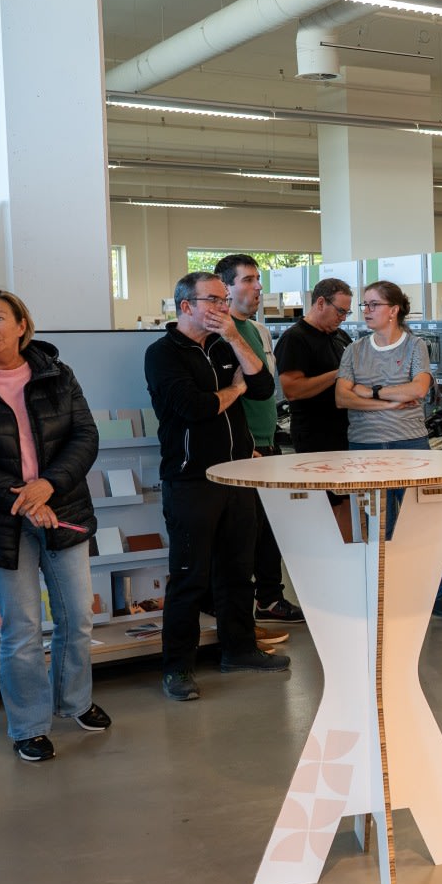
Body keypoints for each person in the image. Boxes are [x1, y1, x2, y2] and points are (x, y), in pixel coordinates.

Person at [0, 289, 109, 762]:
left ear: (22, 327)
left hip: (62, 505)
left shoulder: (56, 374)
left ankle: (75, 701)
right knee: (23, 625)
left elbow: (85, 435)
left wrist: (48, 486)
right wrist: (26, 498)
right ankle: (28, 725)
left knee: (78, 614)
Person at [145, 272, 290, 701]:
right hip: (192, 480)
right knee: (190, 579)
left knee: (237, 573)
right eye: (214, 300)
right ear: (186, 306)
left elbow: (263, 389)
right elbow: (194, 408)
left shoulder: (229, 345)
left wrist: (235, 340)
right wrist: (233, 390)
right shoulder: (162, 353)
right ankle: (178, 669)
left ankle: (240, 649)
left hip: (238, 475)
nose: (223, 307)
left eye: (225, 300)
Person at [336, 280, 442, 625]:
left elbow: (419, 388)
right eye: (364, 305)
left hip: (410, 445)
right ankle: (387, 598)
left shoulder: (415, 347)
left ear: (394, 310)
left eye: (373, 305)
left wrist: (372, 391)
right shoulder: (354, 351)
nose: (365, 311)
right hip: (364, 449)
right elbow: (342, 398)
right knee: (378, 527)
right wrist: (390, 402)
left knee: (423, 523)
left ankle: (437, 595)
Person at [215, 254, 305, 627]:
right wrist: (241, 445)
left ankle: (270, 598)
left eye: (258, 280)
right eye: (248, 280)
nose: (258, 288)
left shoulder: (261, 331)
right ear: (226, 288)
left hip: (268, 443)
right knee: (245, 534)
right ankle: (247, 608)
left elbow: (266, 387)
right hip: (244, 448)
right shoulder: (221, 337)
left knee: (271, 528)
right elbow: (228, 394)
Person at [275, 276, 354, 535]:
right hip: (316, 436)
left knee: (347, 501)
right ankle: (328, 563)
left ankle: (347, 563)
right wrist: (337, 373)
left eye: (347, 312)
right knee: (325, 505)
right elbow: (293, 390)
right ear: (321, 303)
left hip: (346, 432)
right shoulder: (295, 339)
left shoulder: (340, 336)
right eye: (340, 310)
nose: (343, 317)